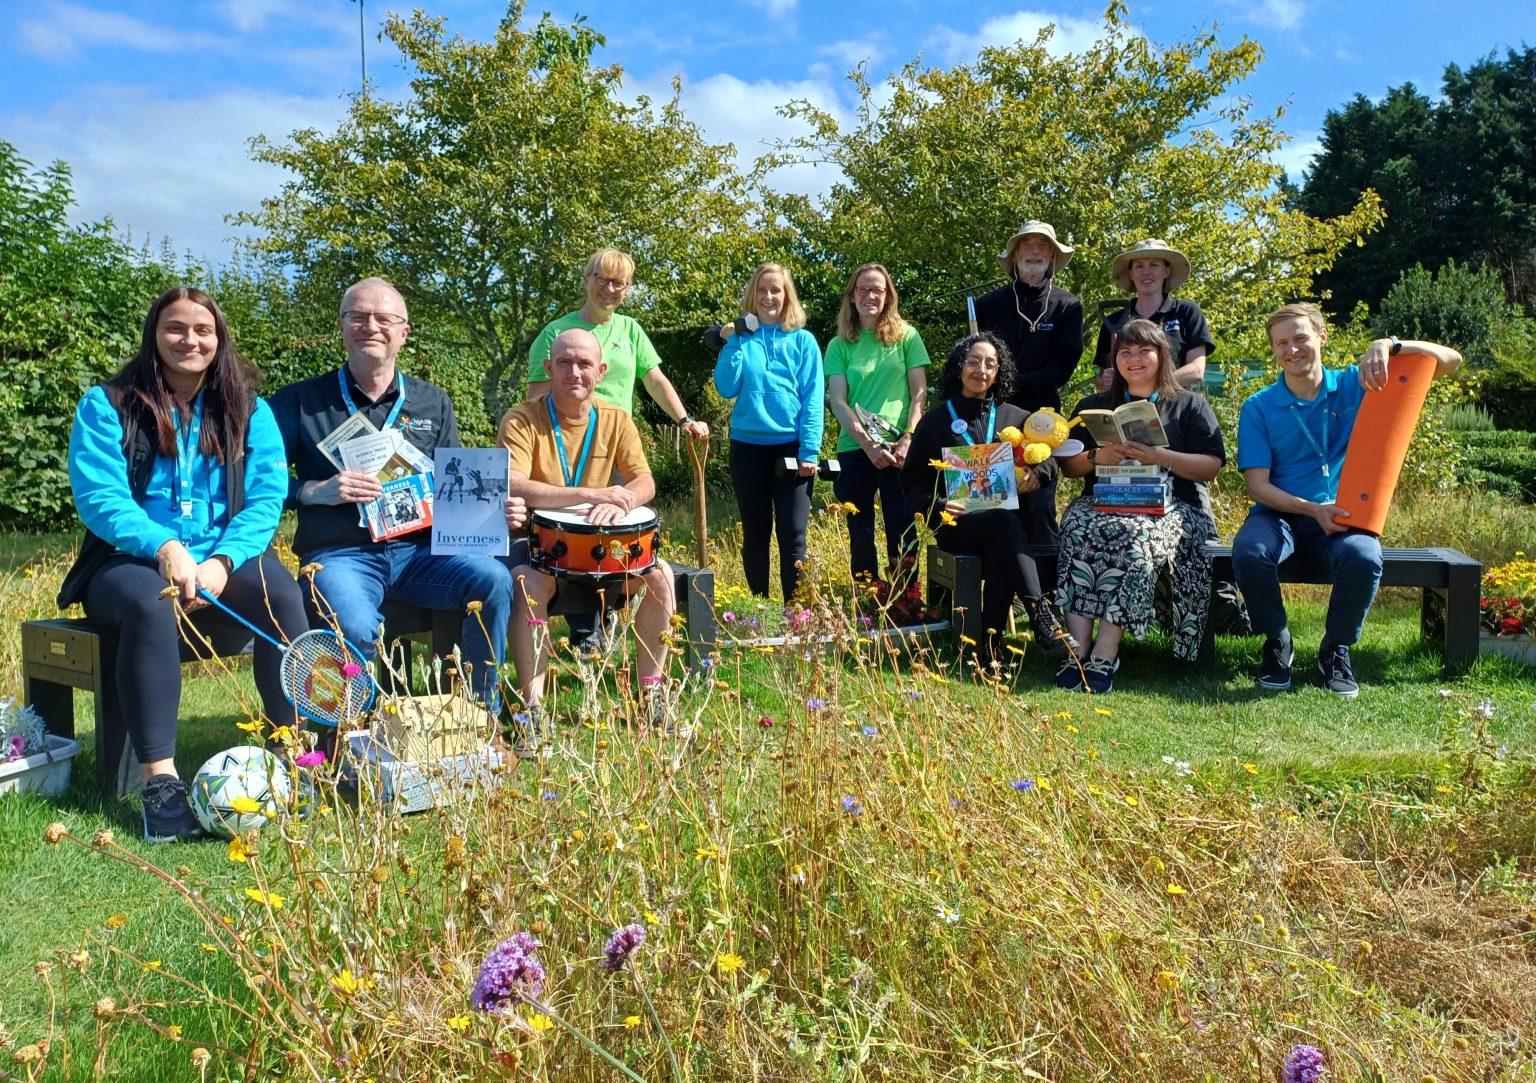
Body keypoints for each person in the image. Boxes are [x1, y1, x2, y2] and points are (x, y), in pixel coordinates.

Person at [60, 287, 308, 842]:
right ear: (155, 334)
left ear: (219, 339)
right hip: (128, 562)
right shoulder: (109, 404)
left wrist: (222, 560)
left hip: (224, 555)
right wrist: (165, 548)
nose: (189, 340)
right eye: (175, 328)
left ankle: (294, 756)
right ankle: (162, 786)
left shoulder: (251, 409)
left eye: (203, 330)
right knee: (153, 607)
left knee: (282, 592)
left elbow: (268, 498)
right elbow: (101, 498)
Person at [269, 277, 524, 713]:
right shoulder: (298, 401)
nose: (371, 326)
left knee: (494, 579)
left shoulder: (433, 402)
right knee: (354, 623)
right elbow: (261, 486)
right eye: (358, 316)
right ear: (342, 326)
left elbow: (455, 492)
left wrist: (494, 513)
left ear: (403, 332)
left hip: (423, 553)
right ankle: (357, 736)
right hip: (340, 555)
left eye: (384, 318)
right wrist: (313, 491)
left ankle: (482, 718)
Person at [1234, 303, 1463, 697]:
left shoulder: (1361, 383)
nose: (1292, 350)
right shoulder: (1258, 406)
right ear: (1273, 350)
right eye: (1281, 343)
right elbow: (1257, 486)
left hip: (1344, 515)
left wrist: (1389, 344)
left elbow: (1449, 361)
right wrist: (1311, 509)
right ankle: (1277, 640)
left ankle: (1334, 650)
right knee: (1249, 551)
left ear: (1322, 337)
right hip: (1281, 514)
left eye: (1301, 338)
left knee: (1364, 556)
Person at [525, 248, 708, 649]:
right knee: (578, 529)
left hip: (616, 443)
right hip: (567, 447)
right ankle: (586, 630)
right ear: (587, 280)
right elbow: (537, 396)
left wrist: (685, 420)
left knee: (622, 529)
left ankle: (609, 612)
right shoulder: (557, 333)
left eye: (619, 283)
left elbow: (655, 380)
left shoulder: (630, 330)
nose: (610, 289)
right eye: (603, 279)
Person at [500, 328, 675, 728]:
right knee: (527, 585)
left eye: (583, 364)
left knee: (661, 576)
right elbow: (513, 481)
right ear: (548, 368)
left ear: (601, 371)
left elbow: (644, 480)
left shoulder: (617, 420)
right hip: (541, 550)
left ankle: (650, 695)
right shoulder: (522, 418)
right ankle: (533, 710)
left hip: (606, 552)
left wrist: (625, 500)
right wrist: (590, 495)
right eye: (564, 362)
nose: (573, 372)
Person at [1055, 320, 1226, 693]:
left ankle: (1105, 651)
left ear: (1161, 355)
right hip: (1105, 501)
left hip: (1174, 507)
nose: (1134, 359)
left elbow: (1211, 465)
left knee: (1134, 536)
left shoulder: (1188, 405)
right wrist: (1099, 457)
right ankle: (1077, 647)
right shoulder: (1094, 406)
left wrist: (1161, 457)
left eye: (1143, 351)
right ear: (1115, 360)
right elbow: (1068, 466)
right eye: (1125, 352)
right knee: (1076, 527)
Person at [899, 332, 1078, 671]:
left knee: (1002, 533)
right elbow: (910, 481)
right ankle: (1041, 615)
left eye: (990, 364)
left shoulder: (1015, 416)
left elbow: (1052, 458)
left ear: (999, 372)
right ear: (959, 366)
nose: (981, 369)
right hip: (959, 525)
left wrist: (1039, 474)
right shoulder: (934, 422)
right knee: (1002, 522)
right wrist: (937, 505)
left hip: (1006, 528)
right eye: (973, 361)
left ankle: (988, 648)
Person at [712, 262, 824, 601]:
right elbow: (726, 387)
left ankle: (795, 615)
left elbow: (812, 399)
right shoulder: (742, 340)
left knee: (793, 534)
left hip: (791, 449)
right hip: (747, 448)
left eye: (775, 290)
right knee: (756, 534)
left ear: (787, 295)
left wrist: (809, 451)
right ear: (752, 295)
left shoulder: (803, 341)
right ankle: (759, 611)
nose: (768, 296)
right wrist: (732, 341)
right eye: (762, 290)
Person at [824, 263, 929, 620]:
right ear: (852, 297)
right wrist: (868, 445)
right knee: (861, 530)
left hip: (901, 448)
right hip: (856, 450)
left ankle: (907, 603)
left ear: (888, 297)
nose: (871, 296)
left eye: (878, 290)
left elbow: (919, 392)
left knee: (902, 527)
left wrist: (909, 438)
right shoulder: (839, 345)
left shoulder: (907, 337)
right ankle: (868, 604)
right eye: (863, 289)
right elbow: (838, 400)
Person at [972, 220, 1085, 546]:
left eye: (1043, 245)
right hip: (991, 418)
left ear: (1051, 255)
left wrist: (1007, 384)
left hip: (1043, 423)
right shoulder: (987, 306)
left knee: (1038, 507)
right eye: (1027, 244)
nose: (1034, 250)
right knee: (989, 506)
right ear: (1014, 254)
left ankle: (1040, 595)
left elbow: (1062, 366)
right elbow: (975, 364)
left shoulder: (1068, 306)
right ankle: (992, 593)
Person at [1092, 239, 1214, 392]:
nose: (1146, 272)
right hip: (1125, 410)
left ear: (1166, 271)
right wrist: (1104, 382)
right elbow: (1102, 377)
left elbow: (1196, 370)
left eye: (1154, 265)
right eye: (1139, 266)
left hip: (1175, 406)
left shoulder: (1186, 312)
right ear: (1131, 273)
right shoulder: (1115, 321)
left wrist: (1151, 387)